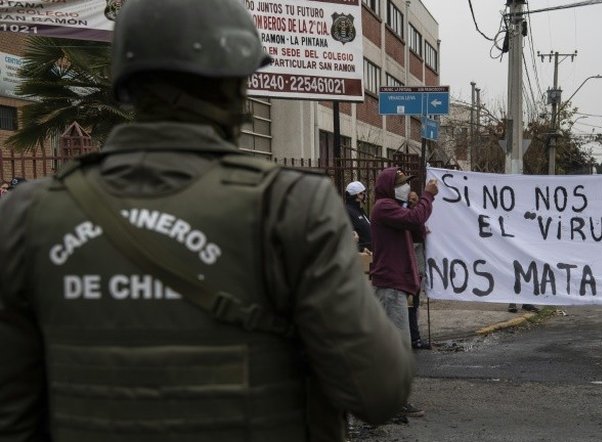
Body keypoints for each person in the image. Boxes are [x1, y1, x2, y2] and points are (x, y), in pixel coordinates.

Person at [0, 1, 413, 440]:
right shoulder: (292, 206)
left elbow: (12, 416)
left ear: (128, 82)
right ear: (233, 87)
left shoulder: (28, 215)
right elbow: (380, 391)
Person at [370, 168, 438, 419]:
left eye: (407, 184)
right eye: (401, 184)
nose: (406, 187)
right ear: (388, 185)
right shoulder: (383, 207)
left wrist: (415, 207)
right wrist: (427, 197)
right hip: (389, 287)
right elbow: (412, 220)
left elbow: (415, 226)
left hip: (396, 286)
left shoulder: (394, 208)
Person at [407, 190, 430, 350]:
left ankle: (414, 336)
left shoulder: (417, 219)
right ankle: (414, 338)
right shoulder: (409, 219)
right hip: (410, 270)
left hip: (417, 269)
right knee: (411, 305)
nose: (413, 202)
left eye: (416, 199)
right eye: (411, 199)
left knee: (414, 305)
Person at [345, 181, 372, 252]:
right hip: (362, 254)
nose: (365, 196)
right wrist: (360, 248)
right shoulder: (348, 211)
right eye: (362, 193)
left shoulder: (359, 210)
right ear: (357, 195)